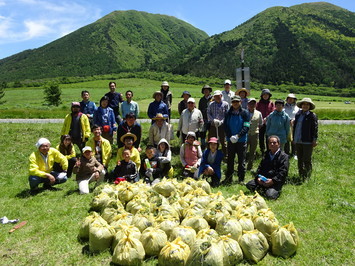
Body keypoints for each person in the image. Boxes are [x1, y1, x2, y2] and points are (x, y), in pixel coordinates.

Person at [246, 136, 289, 200]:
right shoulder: (266, 154)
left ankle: (268, 190)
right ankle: (264, 189)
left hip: (275, 182)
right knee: (249, 184)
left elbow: (283, 172)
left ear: (279, 144)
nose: (272, 144)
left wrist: (272, 181)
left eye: (274, 143)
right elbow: (260, 168)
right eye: (270, 143)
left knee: (270, 196)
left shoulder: (284, 156)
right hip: (263, 180)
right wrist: (258, 178)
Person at [223, 95, 250, 185]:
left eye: (237, 102)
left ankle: (241, 179)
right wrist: (230, 136)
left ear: (240, 102)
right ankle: (229, 178)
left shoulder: (245, 113)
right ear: (232, 103)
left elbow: (246, 126)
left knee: (241, 161)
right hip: (230, 140)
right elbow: (225, 126)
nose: (235, 103)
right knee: (230, 159)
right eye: (233, 102)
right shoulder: (228, 113)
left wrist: (238, 136)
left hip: (241, 140)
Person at [293, 98, 318, 181]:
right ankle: (301, 175)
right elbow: (295, 127)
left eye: (307, 104)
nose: (305, 106)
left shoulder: (312, 116)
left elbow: (315, 129)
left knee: (307, 159)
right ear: (301, 105)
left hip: (307, 141)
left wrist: (314, 139)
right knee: (299, 159)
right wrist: (294, 138)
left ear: (310, 106)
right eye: (304, 104)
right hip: (298, 140)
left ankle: (307, 176)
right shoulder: (298, 114)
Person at [207, 90, 229, 155]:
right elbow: (208, 113)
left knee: (223, 140)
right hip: (213, 125)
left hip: (222, 126)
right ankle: (211, 154)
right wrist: (212, 120)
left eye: (218, 96)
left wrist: (221, 121)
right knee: (212, 140)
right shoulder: (211, 104)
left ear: (221, 96)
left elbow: (227, 115)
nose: (217, 97)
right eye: (216, 96)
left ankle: (225, 154)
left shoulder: (225, 104)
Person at [256, 89, 275, 155]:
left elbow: (273, 112)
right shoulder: (258, 103)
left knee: (268, 137)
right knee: (261, 136)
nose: (265, 96)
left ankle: (268, 149)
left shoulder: (271, 103)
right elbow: (257, 112)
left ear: (269, 96)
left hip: (269, 123)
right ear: (262, 95)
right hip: (260, 122)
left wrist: (267, 118)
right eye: (264, 95)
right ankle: (262, 149)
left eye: (267, 95)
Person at [246, 98, 263, 170]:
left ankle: (250, 166)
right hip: (245, 134)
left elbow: (261, 124)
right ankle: (242, 165)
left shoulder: (259, 113)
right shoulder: (244, 112)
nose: (252, 105)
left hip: (254, 134)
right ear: (248, 104)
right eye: (250, 103)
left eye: (253, 103)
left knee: (252, 151)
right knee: (243, 151)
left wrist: (256, 129)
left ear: (255, 104)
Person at [284, 94, 299, 158]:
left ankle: (294, 153)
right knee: (286, 139)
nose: (290, 100)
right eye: (289, 98)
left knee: (294, 139)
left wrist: (294, 120)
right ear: (287, 99)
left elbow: (299, 115)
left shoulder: (297, 107)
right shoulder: (283, 107)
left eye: (292, 99)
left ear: (294, 100)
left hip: (295, 125)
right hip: (285, 125)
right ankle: (286, 153)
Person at [198, 85, 213, 149]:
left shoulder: (213, 98)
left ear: (209, 91)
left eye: (207, 90)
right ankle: (203, 145)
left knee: (211, 133)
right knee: (203, 133)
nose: (206, 91)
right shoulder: (201, 100)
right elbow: (199, 109)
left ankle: (211, 145)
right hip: (204, 118)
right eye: (205, 90)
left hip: (211, 119)